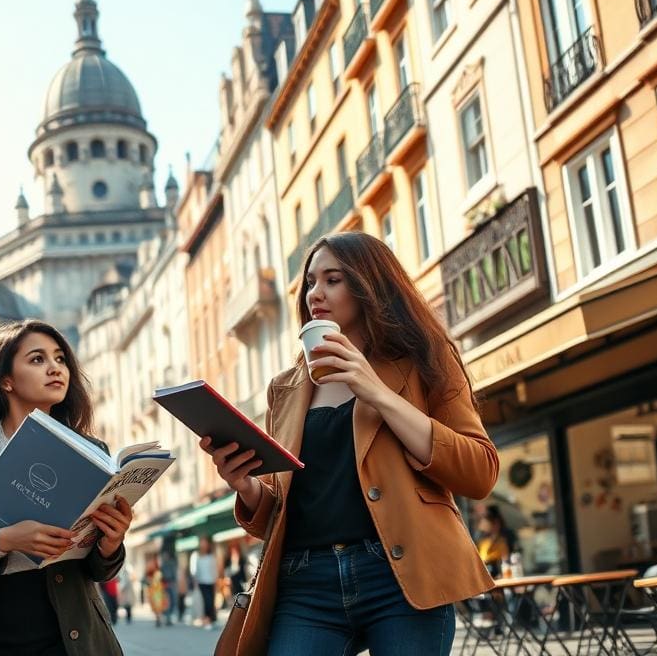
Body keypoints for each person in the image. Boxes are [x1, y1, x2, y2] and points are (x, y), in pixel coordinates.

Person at [200, 232, 499, 655]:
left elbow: (480, 472)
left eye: (332, 280)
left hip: (401, 575)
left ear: (369, 286)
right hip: (306, 581)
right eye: (309, 283)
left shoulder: (423, 361)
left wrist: (374, 390)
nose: (314, 294)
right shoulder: (285, 389)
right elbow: (284, 508)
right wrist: (246, 487)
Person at [0, 320, 132, 656]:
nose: (54, 368)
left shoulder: (93, 453)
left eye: (60, 359)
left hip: (67, 642)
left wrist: (111, 542)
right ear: (6, 379)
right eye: (37, 359)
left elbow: (98, 570)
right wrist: (4, 541)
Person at [189, 536, 220, 629]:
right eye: (202, 542)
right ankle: (207, 620)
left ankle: (211, 619)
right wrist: (195, 581)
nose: (204, 544)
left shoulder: (212, 556)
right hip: (201, 582)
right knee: (207, 602)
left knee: (211, 601)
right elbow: (193, 570)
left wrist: (216, 581)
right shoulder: (196, 555)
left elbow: (214, 570)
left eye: (205, 542)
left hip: (211, 581)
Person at [476, 505, 514, 577]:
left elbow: (506, 558)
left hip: (502, 575)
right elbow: (482, 559)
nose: (483, 525)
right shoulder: (484, 541)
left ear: (496, 523)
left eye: (486, 520)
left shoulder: (504, 539)